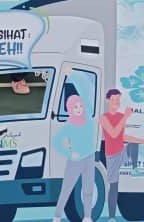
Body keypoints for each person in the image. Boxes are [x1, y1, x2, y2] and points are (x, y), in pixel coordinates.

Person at [100, 90, 144, 222]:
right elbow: (113, 134)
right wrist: (125, 117)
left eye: (118, 99)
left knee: (133, 143)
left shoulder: (120, 116)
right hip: (111, 156)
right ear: (108, 100)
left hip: (121, 152)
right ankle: (112, 217)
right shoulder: (104, 117)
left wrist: (142, 141)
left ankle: (134, 169)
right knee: (114, 187)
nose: (116, 102)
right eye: (113, 99)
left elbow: (123, 136)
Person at [52, 93, 97, 222]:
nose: (79, 109)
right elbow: (56, 141)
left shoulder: (89, 121)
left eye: (81, 106)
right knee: (67, 188)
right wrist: (69, 153)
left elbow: (87, 100)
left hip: (89, 157)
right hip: (75, 161)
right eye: (75, 107)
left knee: (88, 189)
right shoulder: (69, 125)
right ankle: (57, 216)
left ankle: (87, 216)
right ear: (70, 109)